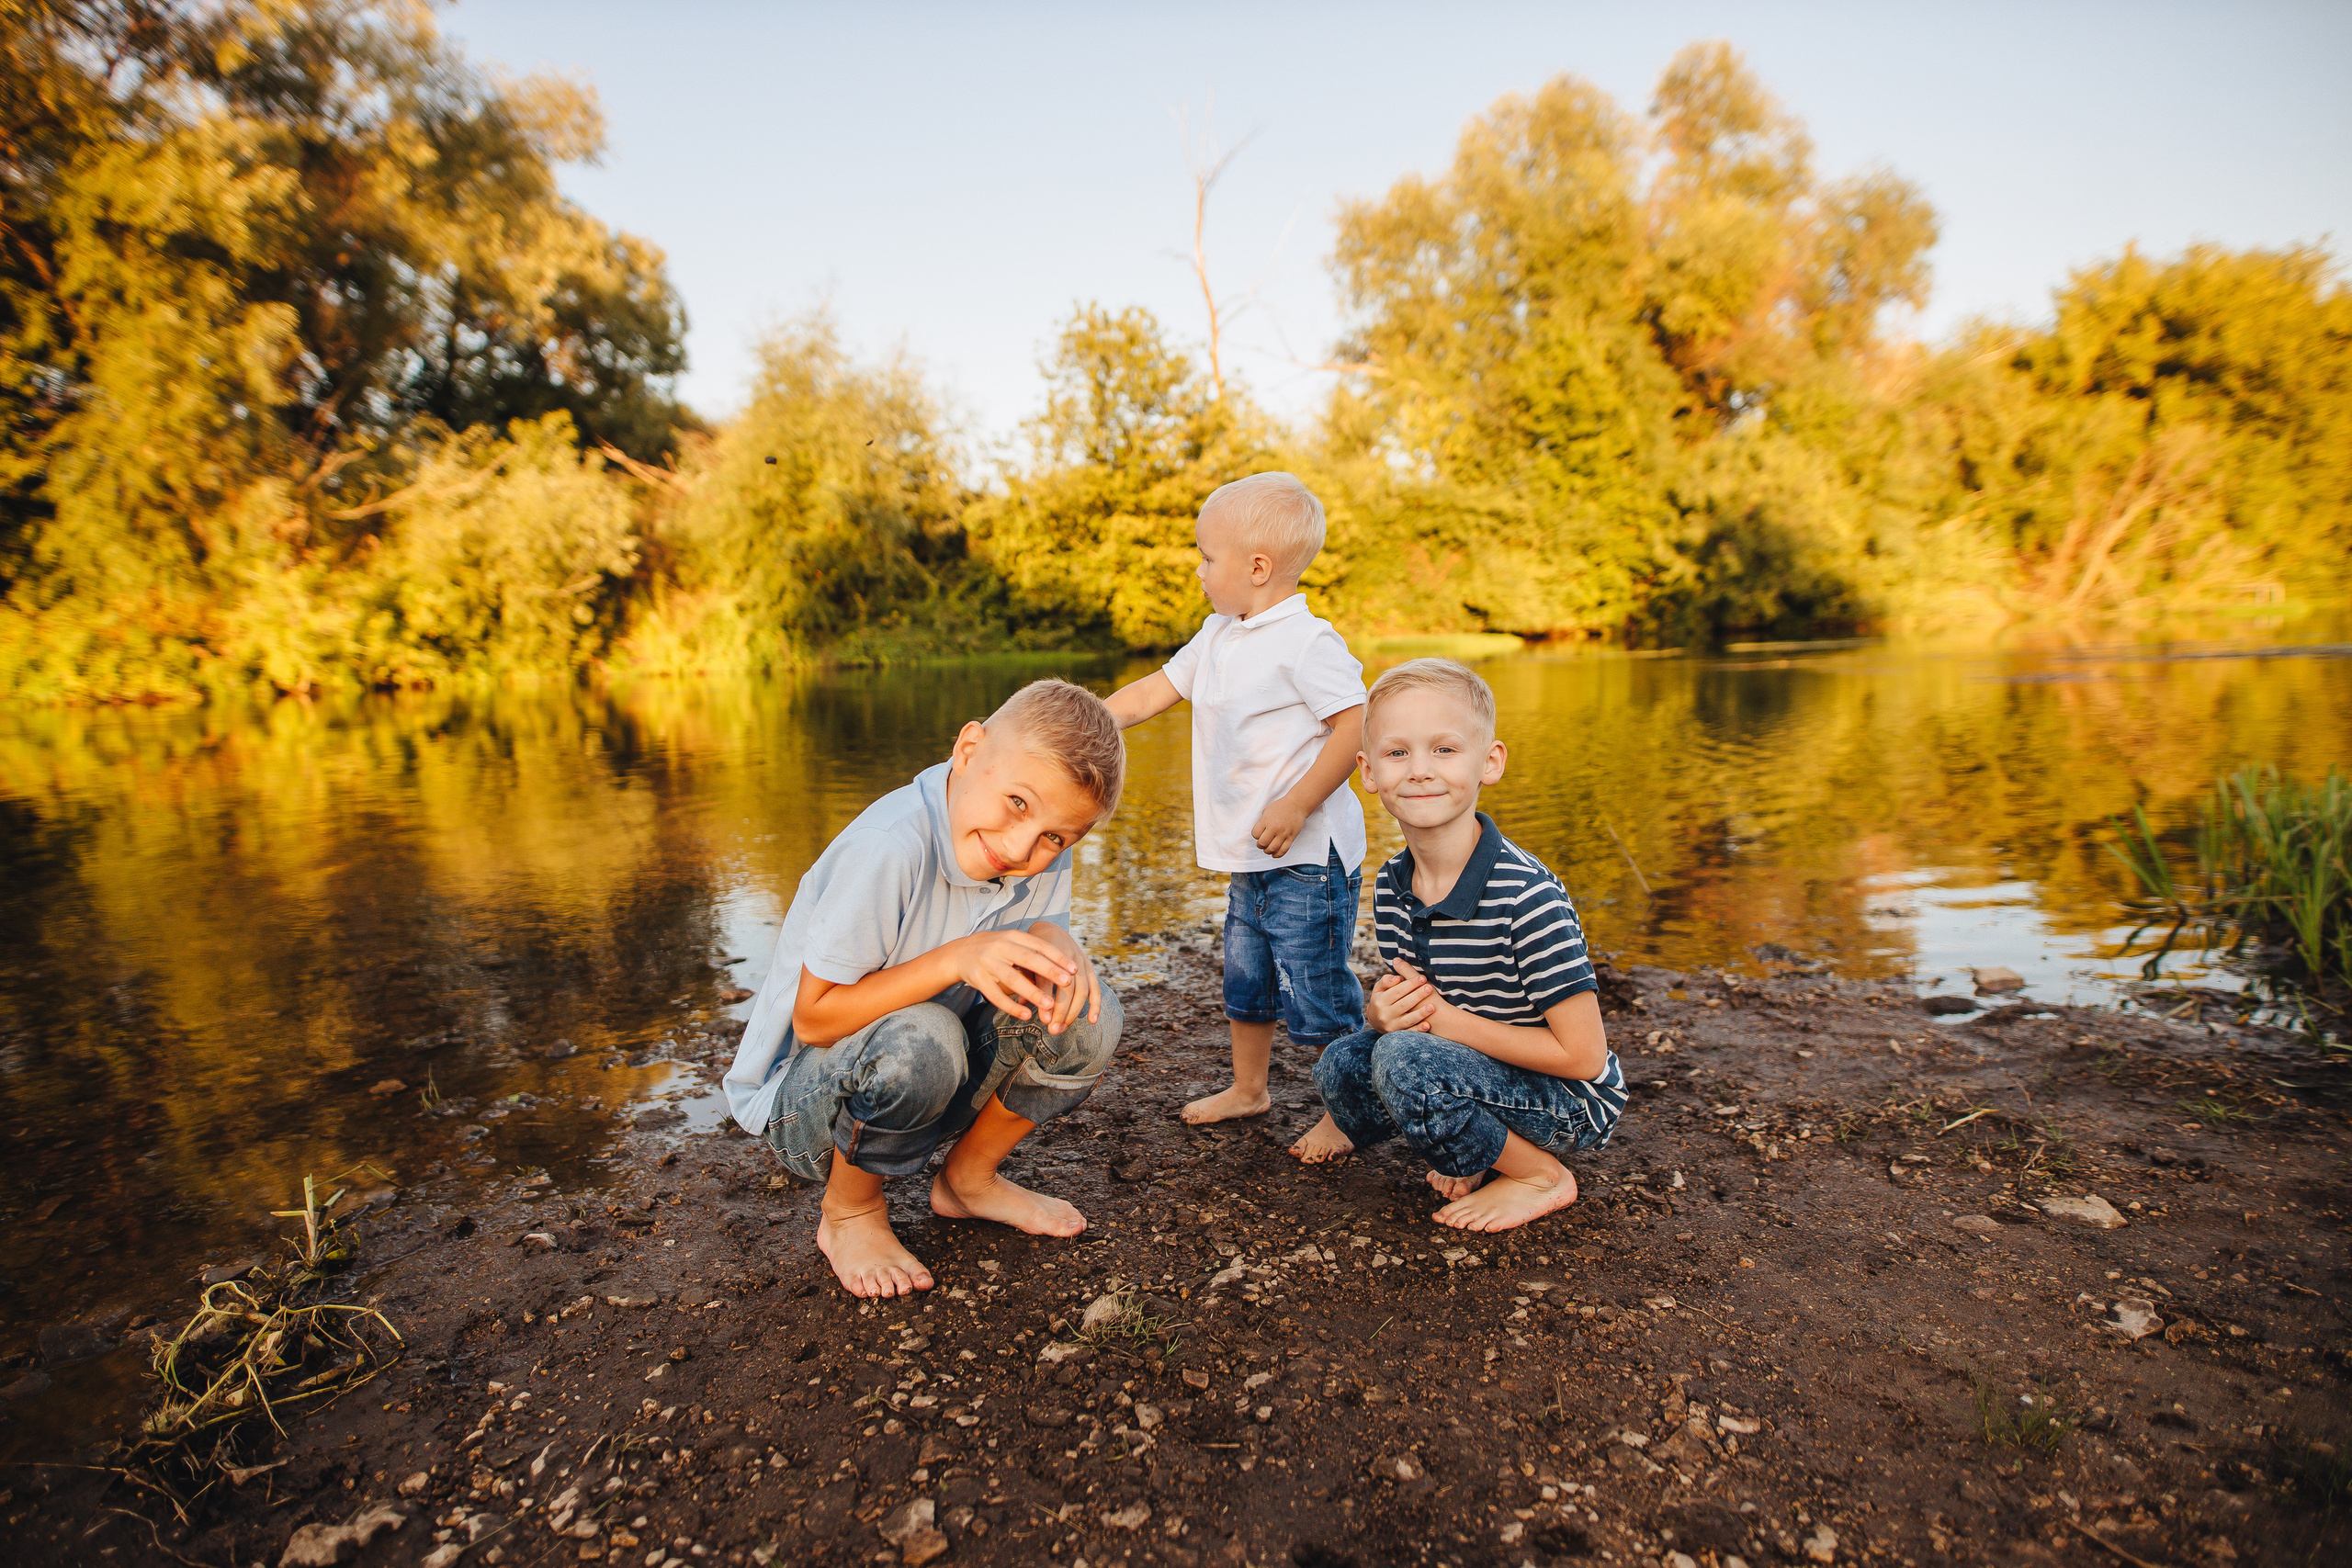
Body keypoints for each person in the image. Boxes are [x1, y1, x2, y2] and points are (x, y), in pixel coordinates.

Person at [721, 679, 1126, 1298]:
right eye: (1018, 803)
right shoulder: (890, 848)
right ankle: (851, 1210)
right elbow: (814, 1019)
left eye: (1057, 838)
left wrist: (1056, 939)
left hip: (929, 1080)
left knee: (1085, 1015)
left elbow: (1040, 934)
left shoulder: (1035, 847)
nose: (1024, 847)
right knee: (925, 1037)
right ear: (968, 750)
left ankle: (968, 1178)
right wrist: (956, 959)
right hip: (809, 1106)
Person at [1295, 658, 1627, 1232]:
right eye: (1398, 753)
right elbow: (1425, 1000)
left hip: (1566, 1098)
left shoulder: (1526, 895)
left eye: (1444, 750)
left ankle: (1538, 1175)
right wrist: (1382, 1014)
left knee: (1404, 1062)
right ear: (1368, 771)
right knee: (1344, 1060)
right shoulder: (1393, 882)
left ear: (1489, 762)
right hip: (1474, 1062)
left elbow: (1584, 1058)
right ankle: (1474, 1146)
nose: (1420, 770)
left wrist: (1439, 1026)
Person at [1105, 472, 1368, 1128]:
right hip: (1249, 857)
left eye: (1207, 556)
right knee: (1247, 980)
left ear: (1257, 566)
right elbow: (1153, 691)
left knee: (1319, 989)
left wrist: (1299, 802)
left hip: (1309, 855)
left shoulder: (1307, 642)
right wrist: (1082, 718)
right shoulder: (1217, 634)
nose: (1197, 570)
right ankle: (1250, 1088)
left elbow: (1356, 724)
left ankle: (1348, 1111)